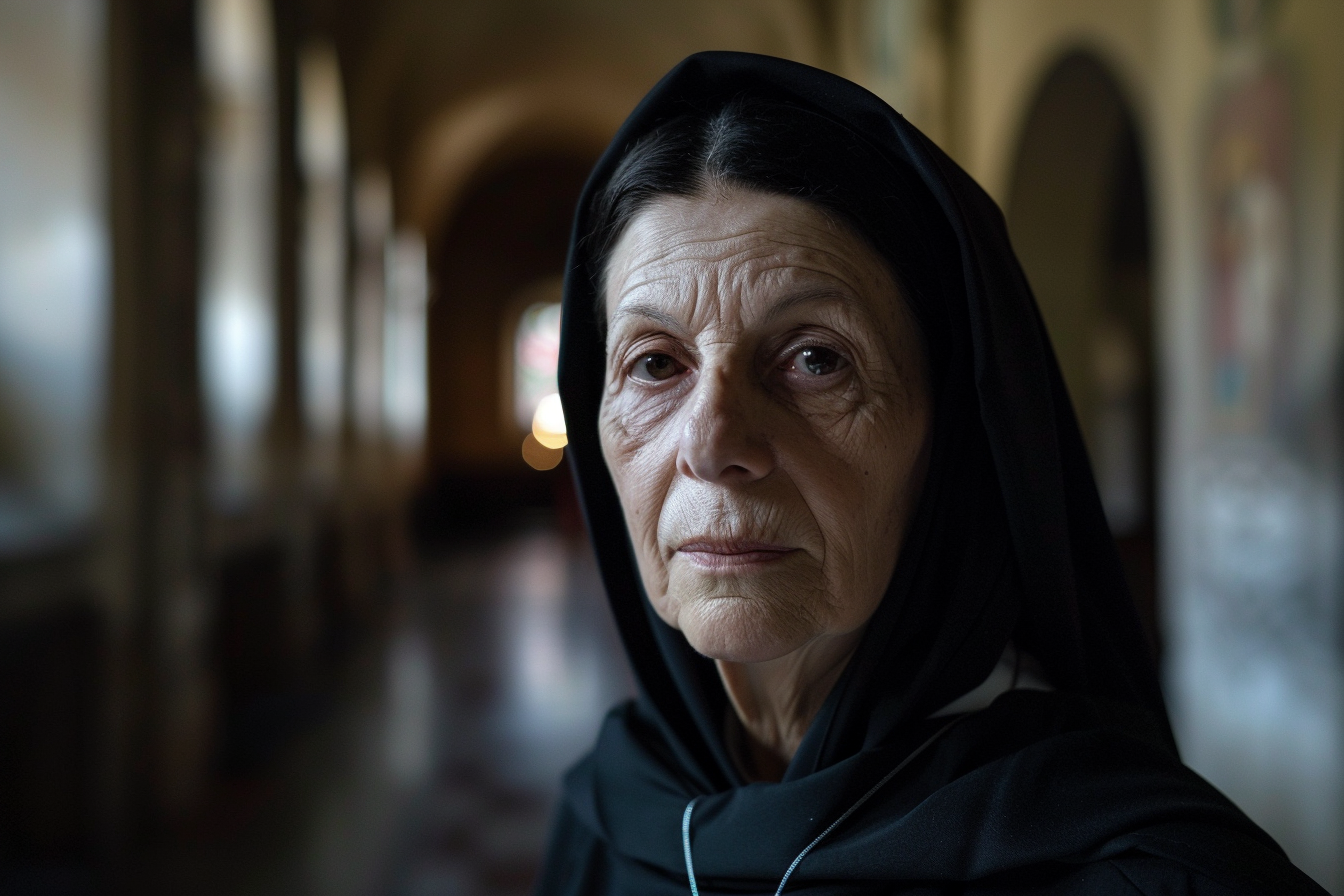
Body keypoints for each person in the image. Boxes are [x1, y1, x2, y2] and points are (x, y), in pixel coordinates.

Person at [535, 51, 1326, 895]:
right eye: (655, 366)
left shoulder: (1149, 876)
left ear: (953, 431)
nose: (713, 444)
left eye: (813, 358)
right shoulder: (616, 815)